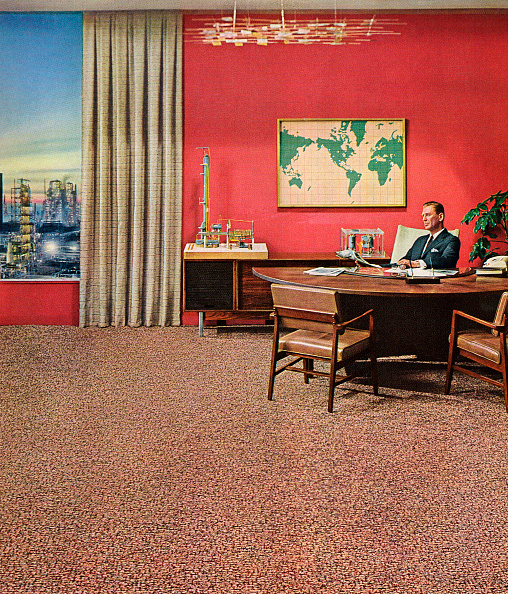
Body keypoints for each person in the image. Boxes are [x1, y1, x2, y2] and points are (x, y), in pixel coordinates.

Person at [397, 201, 460, 269]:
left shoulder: (451, 240)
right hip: (412, 278)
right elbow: (406, 259)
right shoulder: (420, 240)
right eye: (423, 216)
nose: (424, 219)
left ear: (440, 217)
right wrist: (402, 264)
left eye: (428, 215)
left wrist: (417, 264)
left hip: (435, 279)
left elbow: (447, 261)